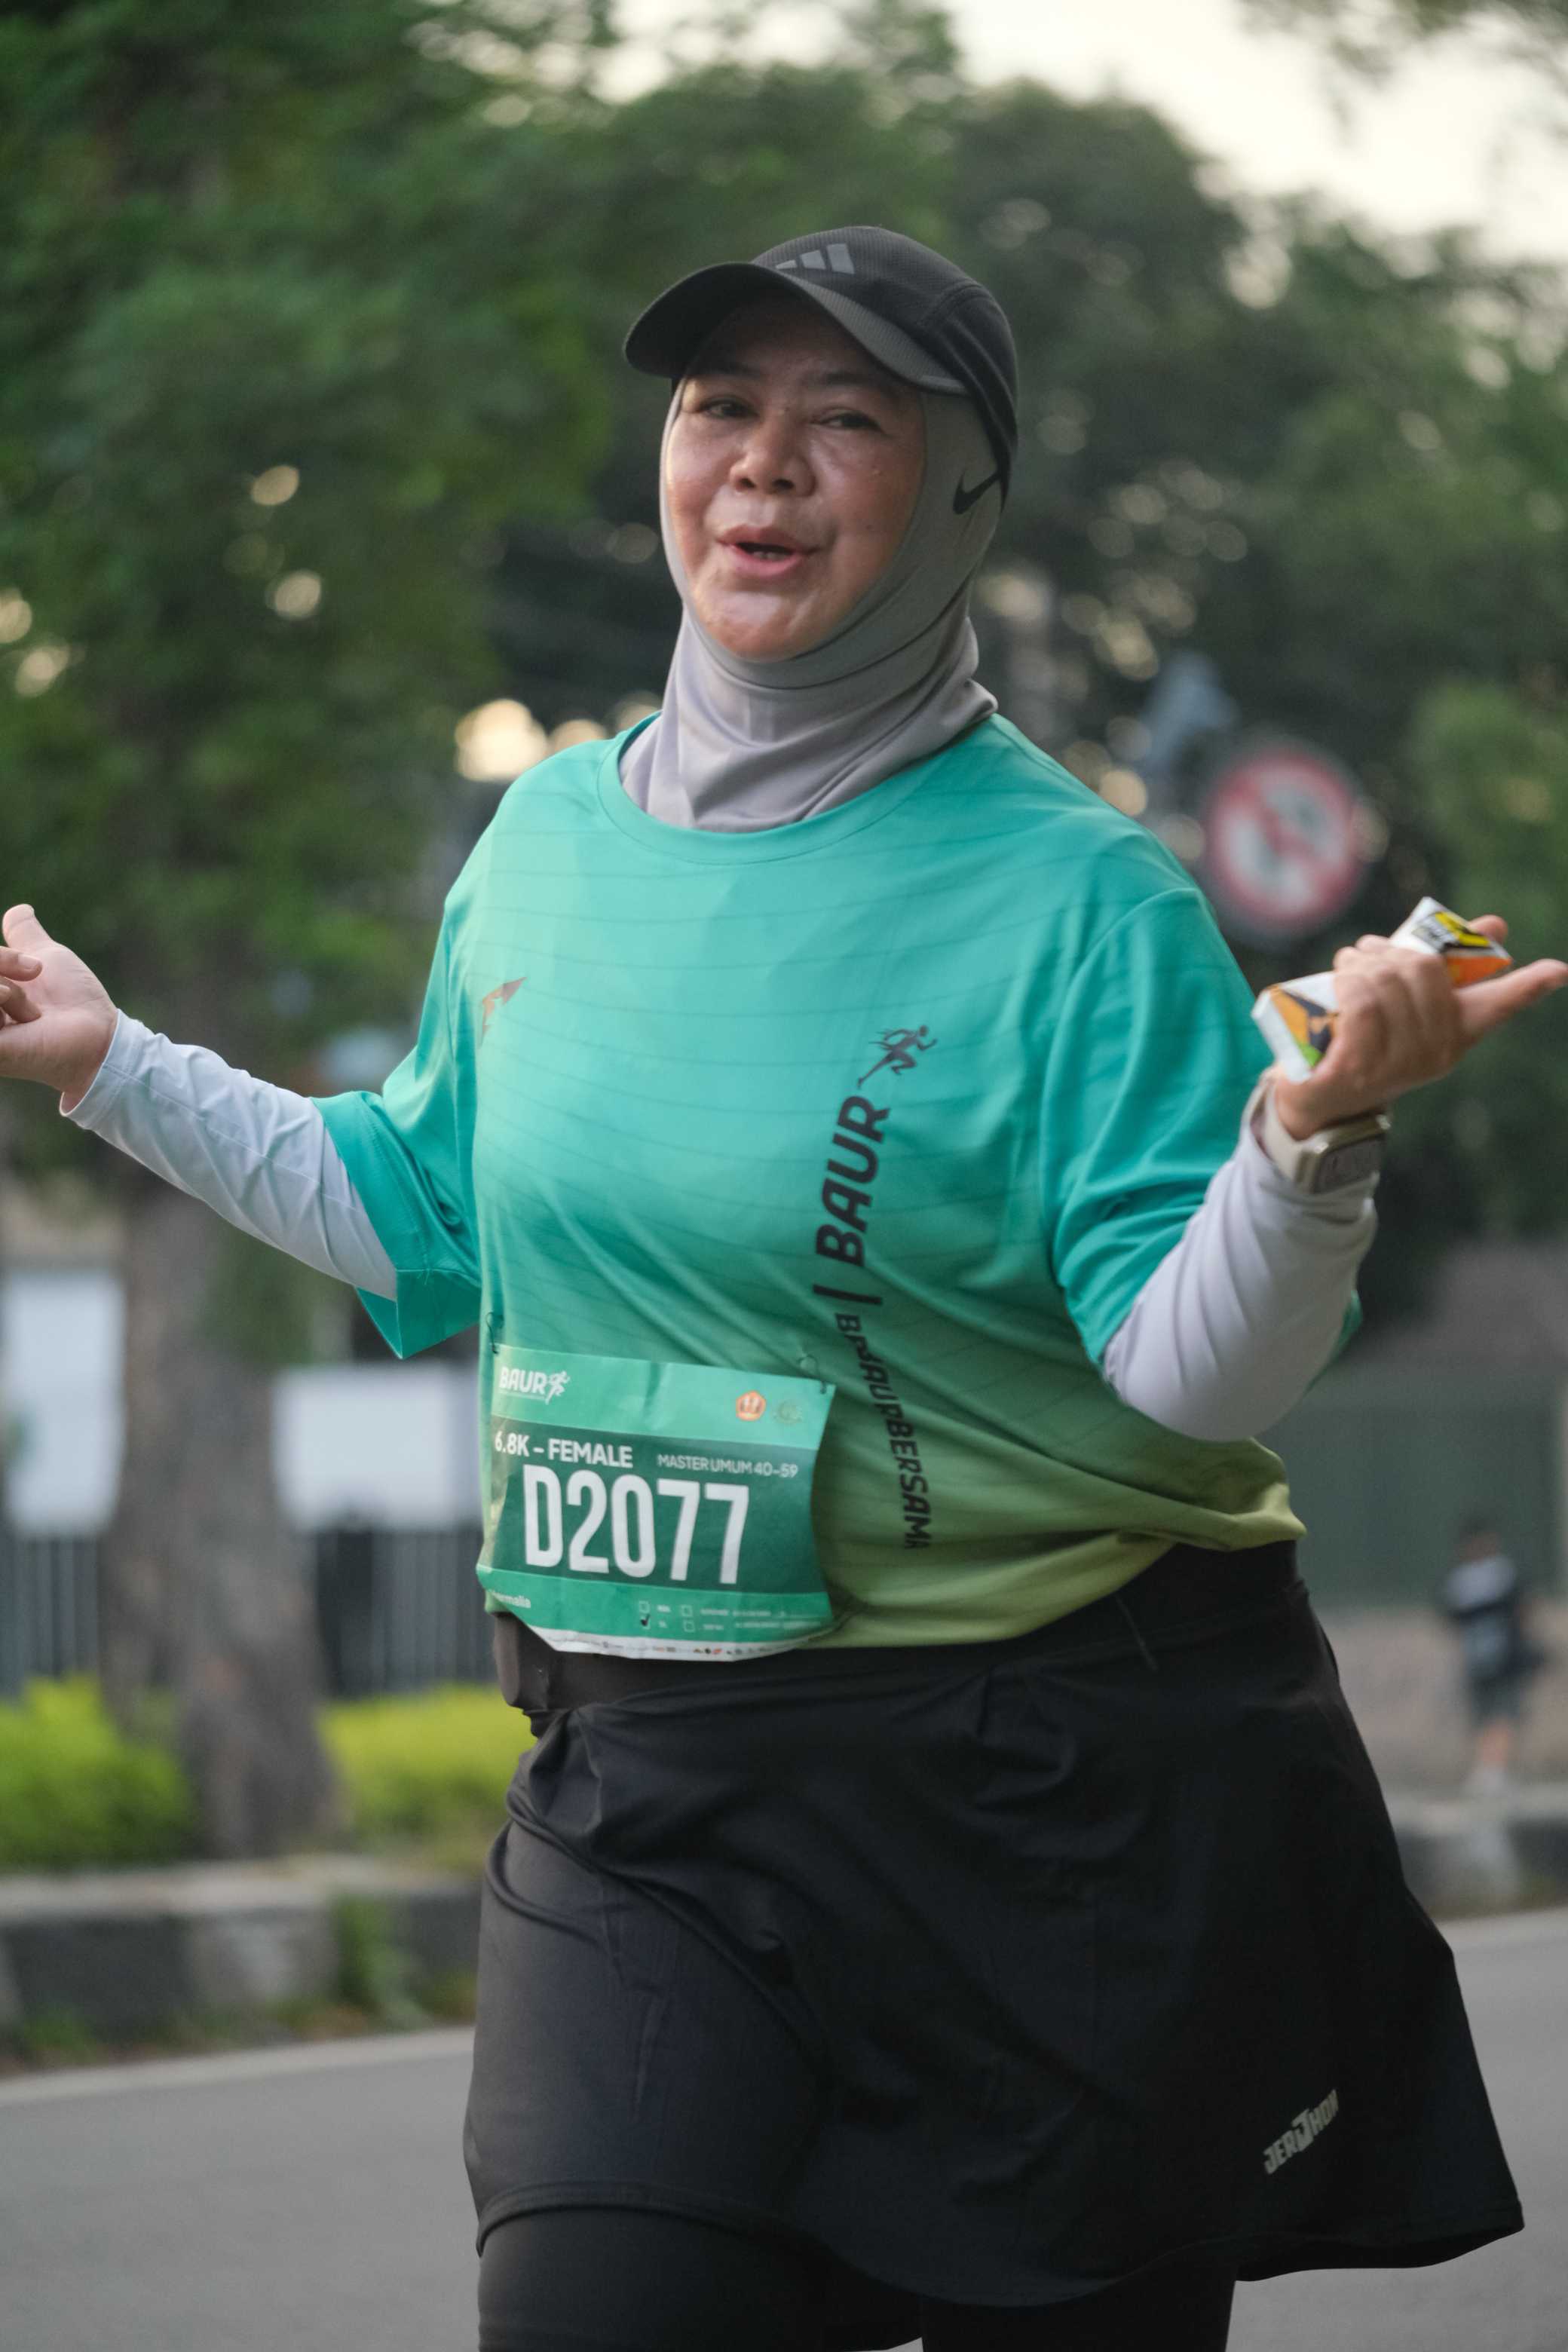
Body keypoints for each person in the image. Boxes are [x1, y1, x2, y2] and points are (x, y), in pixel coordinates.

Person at [2, 225, 1562, 2352]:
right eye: (721, 407)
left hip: (1055, 1796)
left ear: (968, 500)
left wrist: (1309, 1145)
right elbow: (424, 1205)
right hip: (651, 1790)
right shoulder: (542, 843)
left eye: (848, 422)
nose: (764, 463)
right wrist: (111, 1065)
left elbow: (1195, 1376)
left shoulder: (1084, 900)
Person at [1441, 1519, 1545, 1796]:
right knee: (1490, 1716)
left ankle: (1494, 1769)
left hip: (1499, 1659)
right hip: (1482, 1659)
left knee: (1500, 1716)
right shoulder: (1470, 1578)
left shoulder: (1497, 1575)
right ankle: (1489, 1769)